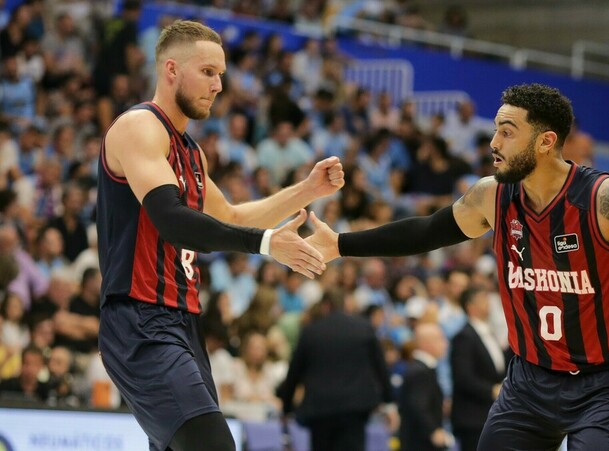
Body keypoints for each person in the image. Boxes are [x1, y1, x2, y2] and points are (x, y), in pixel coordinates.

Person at [306, 83, 609, 450]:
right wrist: (340, 244)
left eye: (508, 132)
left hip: (604, 385)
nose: (494, 143)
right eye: (496, 130)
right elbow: (425, 232)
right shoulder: (492, 196)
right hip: (529, 381)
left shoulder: (607, 199)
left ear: (546, 141)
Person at [95, 20, 343, 451]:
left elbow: (230, 215)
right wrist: (267, 244)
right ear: (171, 70)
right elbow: (172, 219)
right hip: (140, 318)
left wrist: (308, 190)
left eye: (222, 74)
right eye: (208, 72)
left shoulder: (191, 153)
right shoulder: (139, 127)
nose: (219, 85)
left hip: (183, 320)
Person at [277, 289, 396, 451]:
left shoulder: (311, 331)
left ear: (326, 306)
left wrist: (286, 407)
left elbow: (294, 373)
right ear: (346, 305)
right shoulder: (364, 328)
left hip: (320, 410)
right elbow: (380, 369)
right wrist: (389, 403)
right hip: (355, 408)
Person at [450, 287, 507, 451]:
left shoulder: (489, 333)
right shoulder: (464, 337)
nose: (488, 302)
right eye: (483, 299)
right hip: (472, 417)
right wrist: (492, 390)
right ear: (470, 306)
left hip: (492, 413)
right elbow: (462, 377)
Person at [399, 322, 452, 451]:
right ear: (426, 344)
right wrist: (433, 430)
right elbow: (418, 405)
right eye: (440, 339)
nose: (446, 344)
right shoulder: (420, 371)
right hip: (420, 442)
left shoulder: (423, 368)